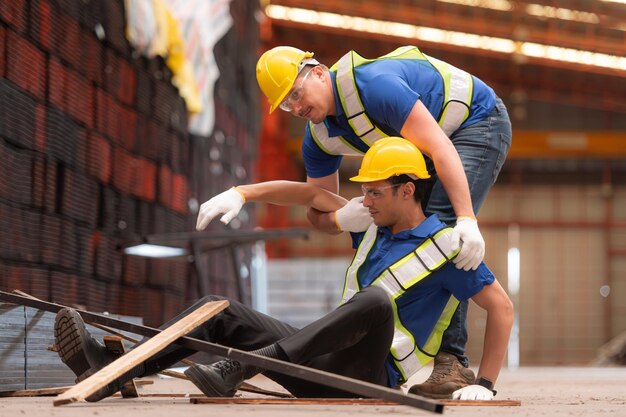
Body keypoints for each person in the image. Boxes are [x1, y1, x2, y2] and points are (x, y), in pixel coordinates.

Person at [55, 138, 513, 402]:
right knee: (220, 310)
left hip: (369, 379)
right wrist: (243, 194)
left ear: (407, 190)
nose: (364, 201)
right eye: (364, 192)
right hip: (321, 365)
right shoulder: (372, 226)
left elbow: (502, 309)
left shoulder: (447, 248)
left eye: (374, 192)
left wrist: (487, 386)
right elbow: (309, 195)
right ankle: (111, 367)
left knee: (374, 301)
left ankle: (239, 369)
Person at [253, 45, 513, 397]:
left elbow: (441, 148)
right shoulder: (318, 138)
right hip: (431, 144)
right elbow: (317, 207)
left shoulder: (375, 86)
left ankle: (452, 360)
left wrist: (465, 219)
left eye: (296, 94)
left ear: (317, 72)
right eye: (286, 104)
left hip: (476, 123)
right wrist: (339, 217)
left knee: (442, 235)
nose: (296, 107)